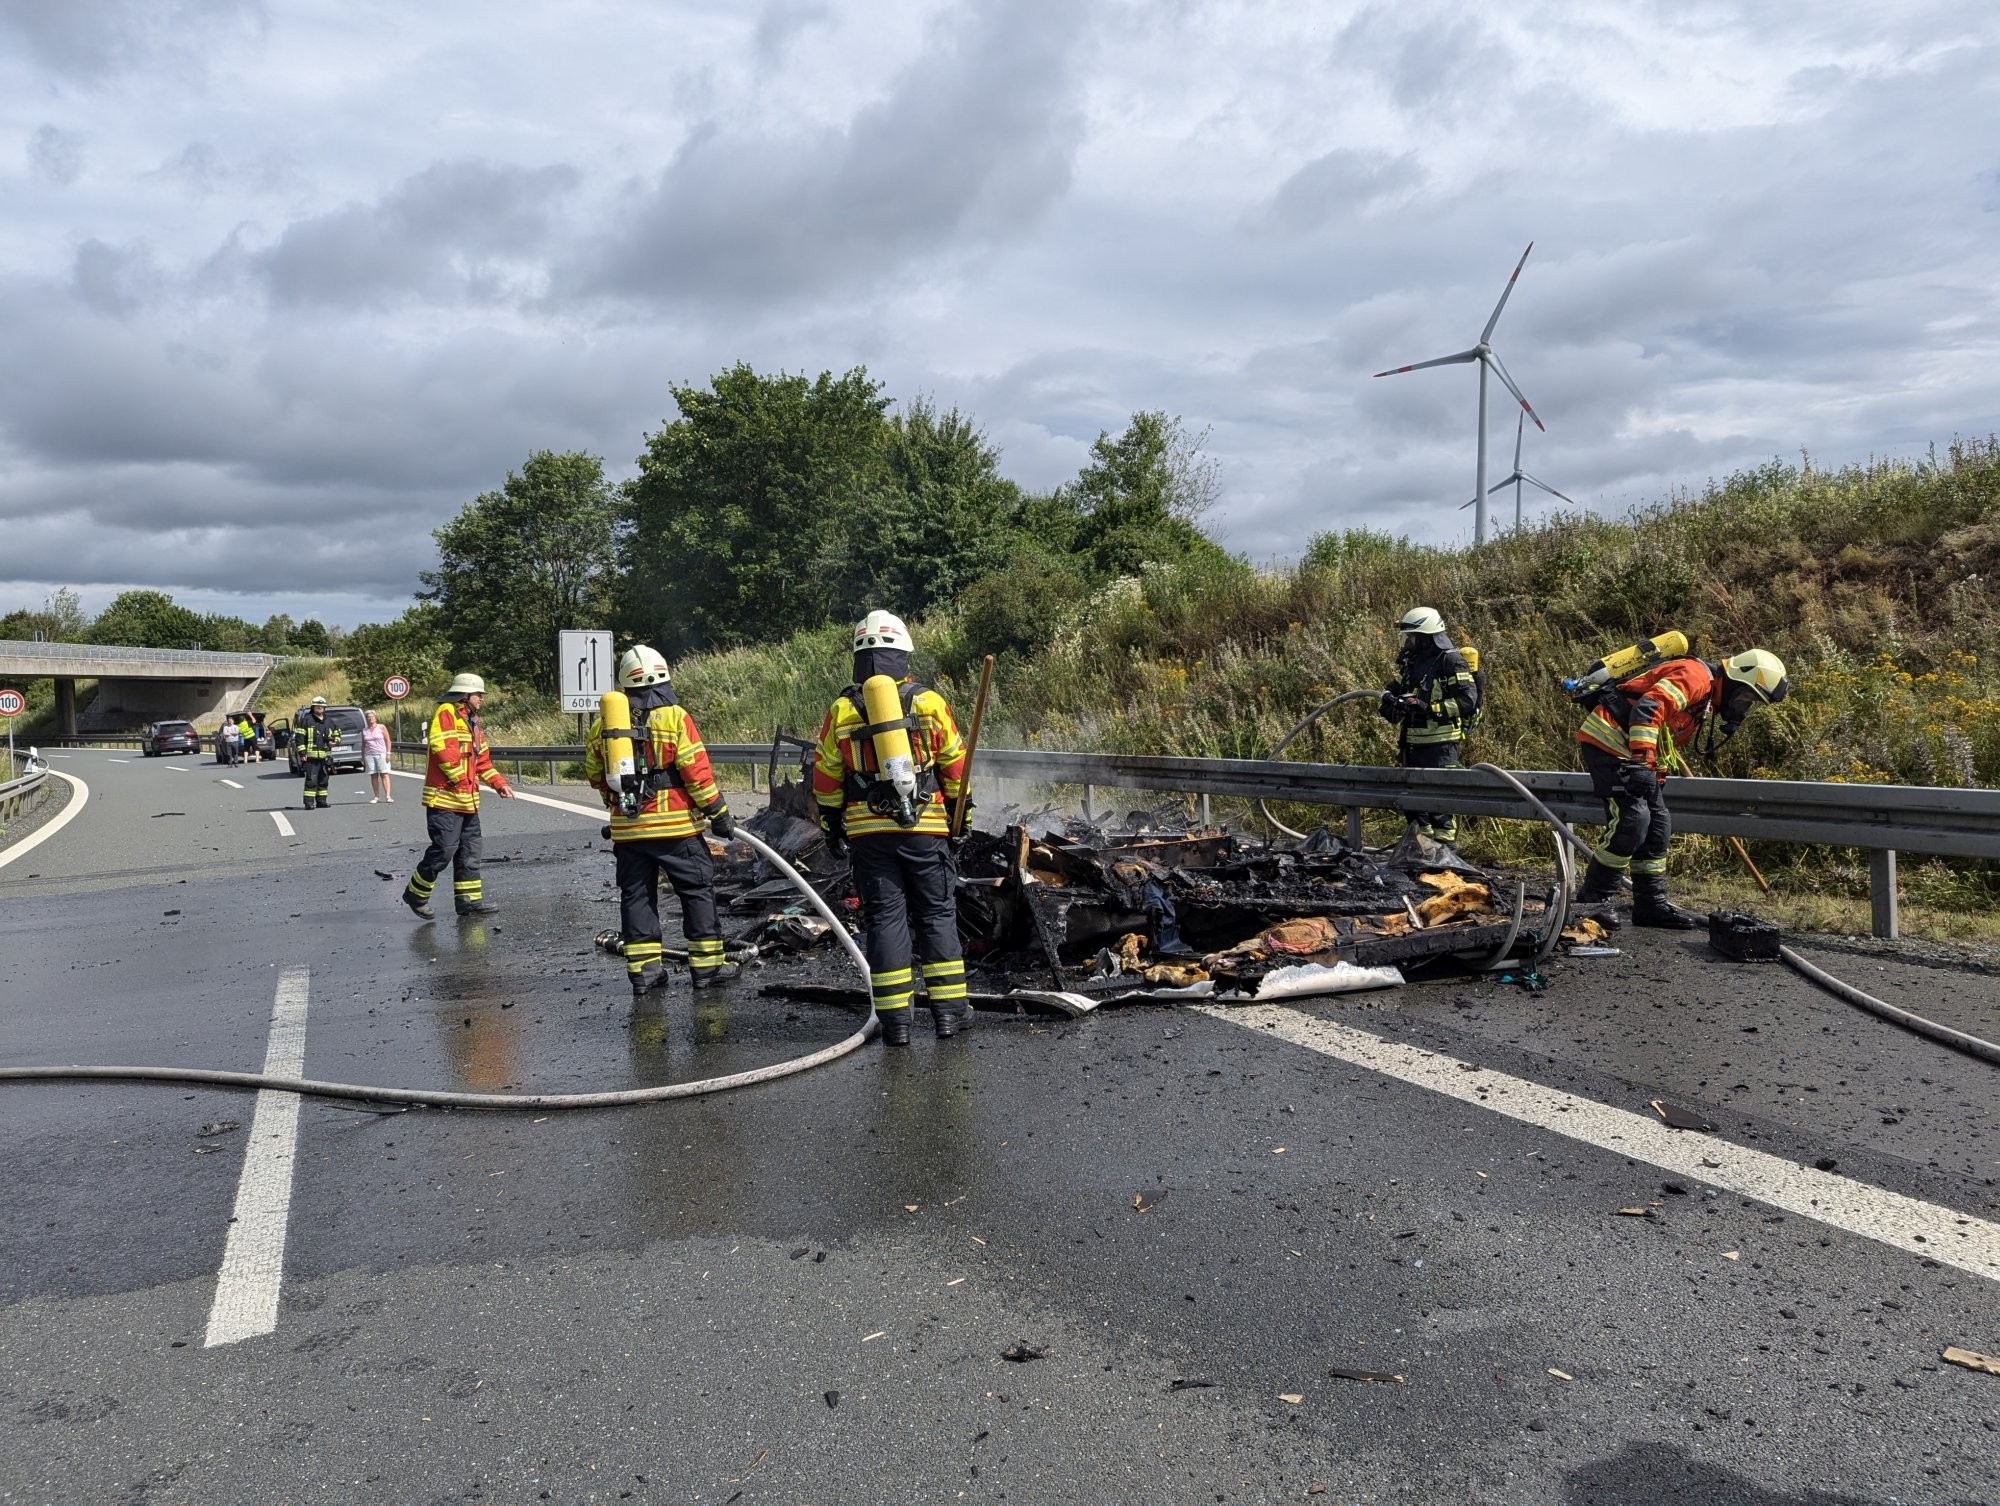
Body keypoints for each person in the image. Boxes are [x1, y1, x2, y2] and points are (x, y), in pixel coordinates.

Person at [812, 610, 971, 1047]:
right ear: (904, 654)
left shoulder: (842, 709)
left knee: (885, 920)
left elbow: (825, 774)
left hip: (869, 835)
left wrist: (832, 823)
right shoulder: (929, 702)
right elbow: (956, 765)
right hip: (926, 829)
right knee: (937, 915)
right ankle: (951, 1016)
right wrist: (962, 815)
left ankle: (896, 1022)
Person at [1574, 647, 1790, 926]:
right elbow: (1649, 707)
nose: (1744, 707)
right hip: (1609, 744)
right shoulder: (1695, 677)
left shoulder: (1707, 696)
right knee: (1633, 820)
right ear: (1737, 681)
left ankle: (1650, 905)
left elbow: (1664, 728)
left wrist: (1650, 764)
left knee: (1657, 826)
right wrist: (1641, 761)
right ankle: (1593, 902)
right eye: (1746, 698)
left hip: (1641, 756)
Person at [584, 645, 738, 997]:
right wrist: (718, 813)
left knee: (637, 896)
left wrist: (618, 803)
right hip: (676, 828)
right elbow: (695, 771)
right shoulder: (674, 717)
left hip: (628, 830)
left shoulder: (603, 726)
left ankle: (644, 974)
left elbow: (595, 773)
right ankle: (708, 969)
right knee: (696, 892)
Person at [403, 672, 512, 919]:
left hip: (468, 801)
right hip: (445, 798)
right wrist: (459, 779)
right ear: (465, 695)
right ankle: (415, 894)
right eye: (478, 694)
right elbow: (442, 749)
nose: (482, 698)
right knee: (444, 850)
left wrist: (499, 784)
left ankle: (469, 902)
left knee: (470, 852)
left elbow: (482, 760)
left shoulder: (473, 721)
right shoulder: (446, 713)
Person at [1379, 607, 1480, 845]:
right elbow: (1392, 691)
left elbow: (1467, 700)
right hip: (1411, 745)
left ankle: (1445, 856)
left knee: (1439, 806)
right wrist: (1390, 703)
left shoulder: (1450, 660)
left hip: (1440, 747)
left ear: (1426, 638)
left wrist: (1430, 708)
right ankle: (1421, 857)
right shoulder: (1411, 663)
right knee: (1414, 806)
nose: (1408, 642)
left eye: (1412, 637)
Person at [297, 696, 342, 809]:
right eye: (318, 706)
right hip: (311, 757)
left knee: (323, 780)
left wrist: (335, 742)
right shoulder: (306, 720)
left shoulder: (329, 721)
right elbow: (300, 738)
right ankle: (309, 803)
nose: (320, 708)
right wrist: (302, 753)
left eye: (322, 706)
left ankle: (321, 801)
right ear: (313, 707)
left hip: (325, 757)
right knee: (311, 780)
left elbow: (338, 733)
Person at [362, 710, 394, 803]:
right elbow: (363, 744)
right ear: (366, 718)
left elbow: (388, 740)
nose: (370, 718)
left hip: (381, 754)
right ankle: (376, 796)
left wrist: (388, 753)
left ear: (375, 718)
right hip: (369, 755)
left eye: (372, 716)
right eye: (369, 717)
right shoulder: (364, 730)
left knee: (384, 774)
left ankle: (388, 796)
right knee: (373, 775)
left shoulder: (381, 727)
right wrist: (362, 756)